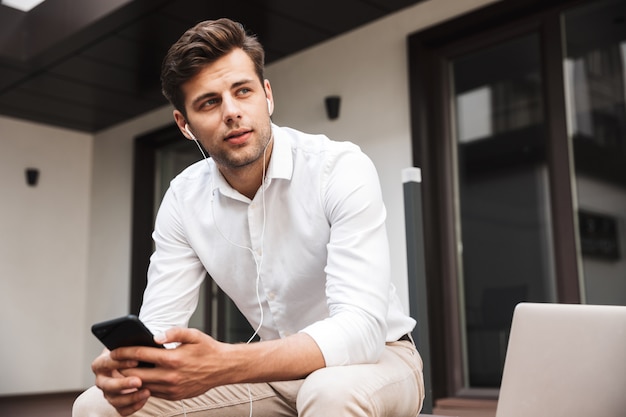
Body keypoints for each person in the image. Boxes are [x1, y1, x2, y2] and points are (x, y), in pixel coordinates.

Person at [73, 18, 424, 417]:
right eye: (209, 102)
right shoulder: (183, 200)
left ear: (267, 96)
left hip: (379, 359)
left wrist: (225, 363)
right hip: (272, 376)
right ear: (184, 125)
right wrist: (132, 367)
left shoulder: (339, 167)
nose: (232, 112)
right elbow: (161, 327)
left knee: (330, 393)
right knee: (97, 407)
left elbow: (361, 331)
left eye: (243, 91)